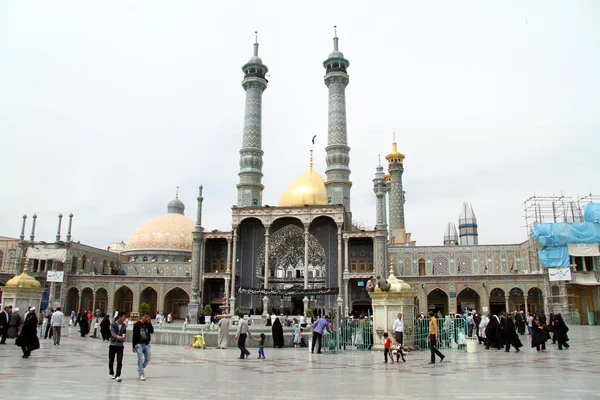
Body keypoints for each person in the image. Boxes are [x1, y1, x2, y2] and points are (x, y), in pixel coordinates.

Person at [132, 312, 154, 381]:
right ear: (142, 317)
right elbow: (134, 336)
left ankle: (140, 368)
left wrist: (150, 323)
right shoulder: (137, 324)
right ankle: (141, 374)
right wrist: (133, 346)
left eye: (148, 317)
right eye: (146, 317)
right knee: (140, 358)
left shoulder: (148, 324)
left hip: (146, 344)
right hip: (139, 344)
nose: (147, 318)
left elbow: (152, 331)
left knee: (147, 358)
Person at [109, 311, 128, 381]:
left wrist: (124, 337)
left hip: (120, 345)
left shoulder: (123, 326)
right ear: (119, 317)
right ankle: (111, 373)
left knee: (119, 360)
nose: (124, 319)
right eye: (124, 317)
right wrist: (117, 337)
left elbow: (124, 333)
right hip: (113, 345)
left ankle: (118, 375)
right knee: (111, 359)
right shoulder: (114, 324)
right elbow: (112, 332)